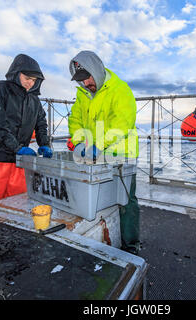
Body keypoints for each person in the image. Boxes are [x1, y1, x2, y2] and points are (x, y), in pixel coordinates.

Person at [66, 50, 140, 254]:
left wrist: (98, 144)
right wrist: (79, 141)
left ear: (97, 69)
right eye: (81, 80)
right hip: (93, 156)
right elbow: (75, 119)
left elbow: (123, 123)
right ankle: (104, 240)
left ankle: (131, 245)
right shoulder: (82, 94)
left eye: (87, 77)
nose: (85, 83)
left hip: (121, 155)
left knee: (126, 201)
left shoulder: (120, 89)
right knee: (98, 198)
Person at [0, 53, 52, 207]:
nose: (30, 83)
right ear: (16, 73)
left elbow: (41, 124)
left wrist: (45, 143)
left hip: (19, 161)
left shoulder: (34, 101)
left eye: (34, 80)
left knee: (17, 205)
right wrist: (18, 148)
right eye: (27, 78)